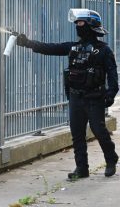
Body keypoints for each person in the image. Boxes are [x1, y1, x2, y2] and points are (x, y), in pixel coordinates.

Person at [16, 9, 118, 179]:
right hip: (76, 97)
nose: (77, 26)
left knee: (99, 130)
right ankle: (82, 168)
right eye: (76, 23)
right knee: (77, 134)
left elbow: (113, 75)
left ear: (91, 25)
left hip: (94, 97)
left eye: (80, 23)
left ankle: (111, 159)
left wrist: (111, 93)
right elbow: (49, 48)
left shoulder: (103, 50)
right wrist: (27, 43)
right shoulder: (73, 47)